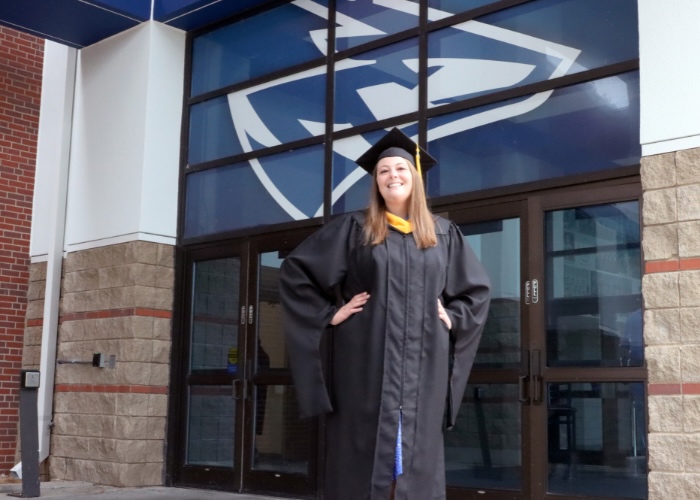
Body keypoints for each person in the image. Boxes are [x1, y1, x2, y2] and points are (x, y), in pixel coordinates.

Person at [280, 128, 491, 500]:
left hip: (424, 360)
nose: (393, 176)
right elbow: (298, 272)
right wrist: (330, 314)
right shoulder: (354, 229)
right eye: (383, 171)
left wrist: (454, 317)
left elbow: (475, 291)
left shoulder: (444, 234)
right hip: (366, 358)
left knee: (416, 450)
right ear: (376, 182)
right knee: (362, 447)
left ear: (416, 177)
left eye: (401, 168)